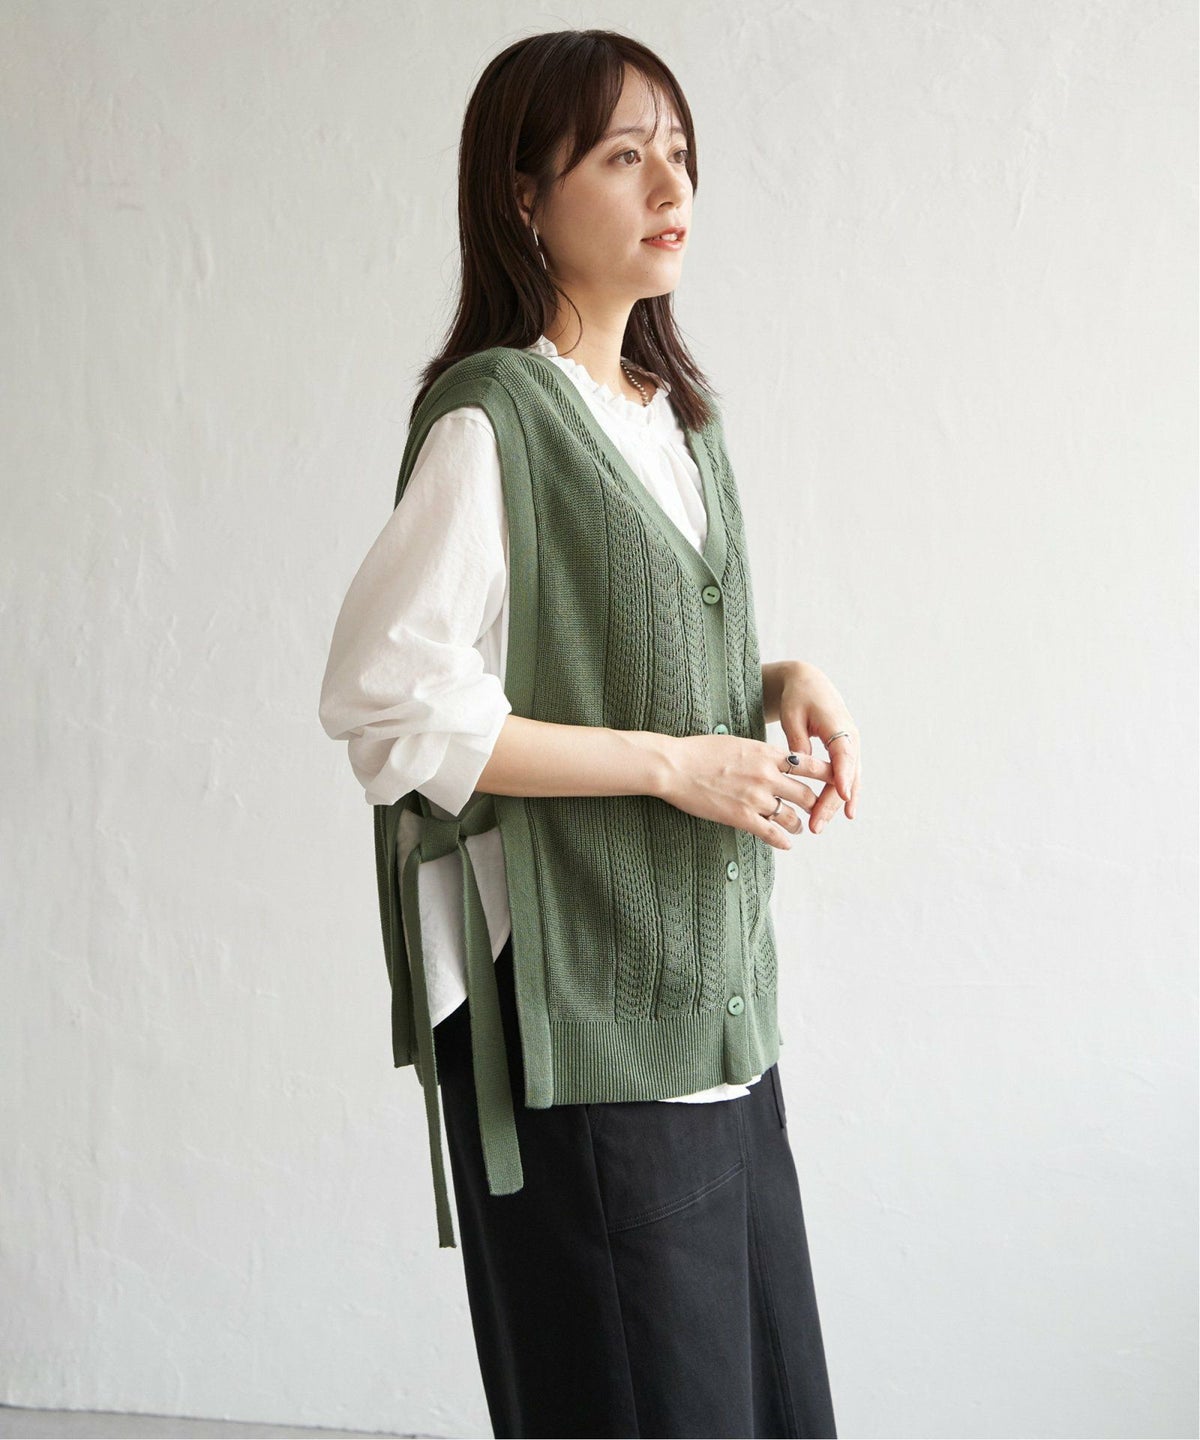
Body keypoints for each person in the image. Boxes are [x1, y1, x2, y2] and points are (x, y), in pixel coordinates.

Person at [319, 27, 861, 1440]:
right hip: (573, 1012)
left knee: (760, 1406)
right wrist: (677, 768)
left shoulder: (678, 424)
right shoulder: (494, 422)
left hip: (708, 1007)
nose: (669, 185)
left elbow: (612, 654)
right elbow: (391, 701)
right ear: (524, 195)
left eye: (678, 152)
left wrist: (775, 678)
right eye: (623, 157)